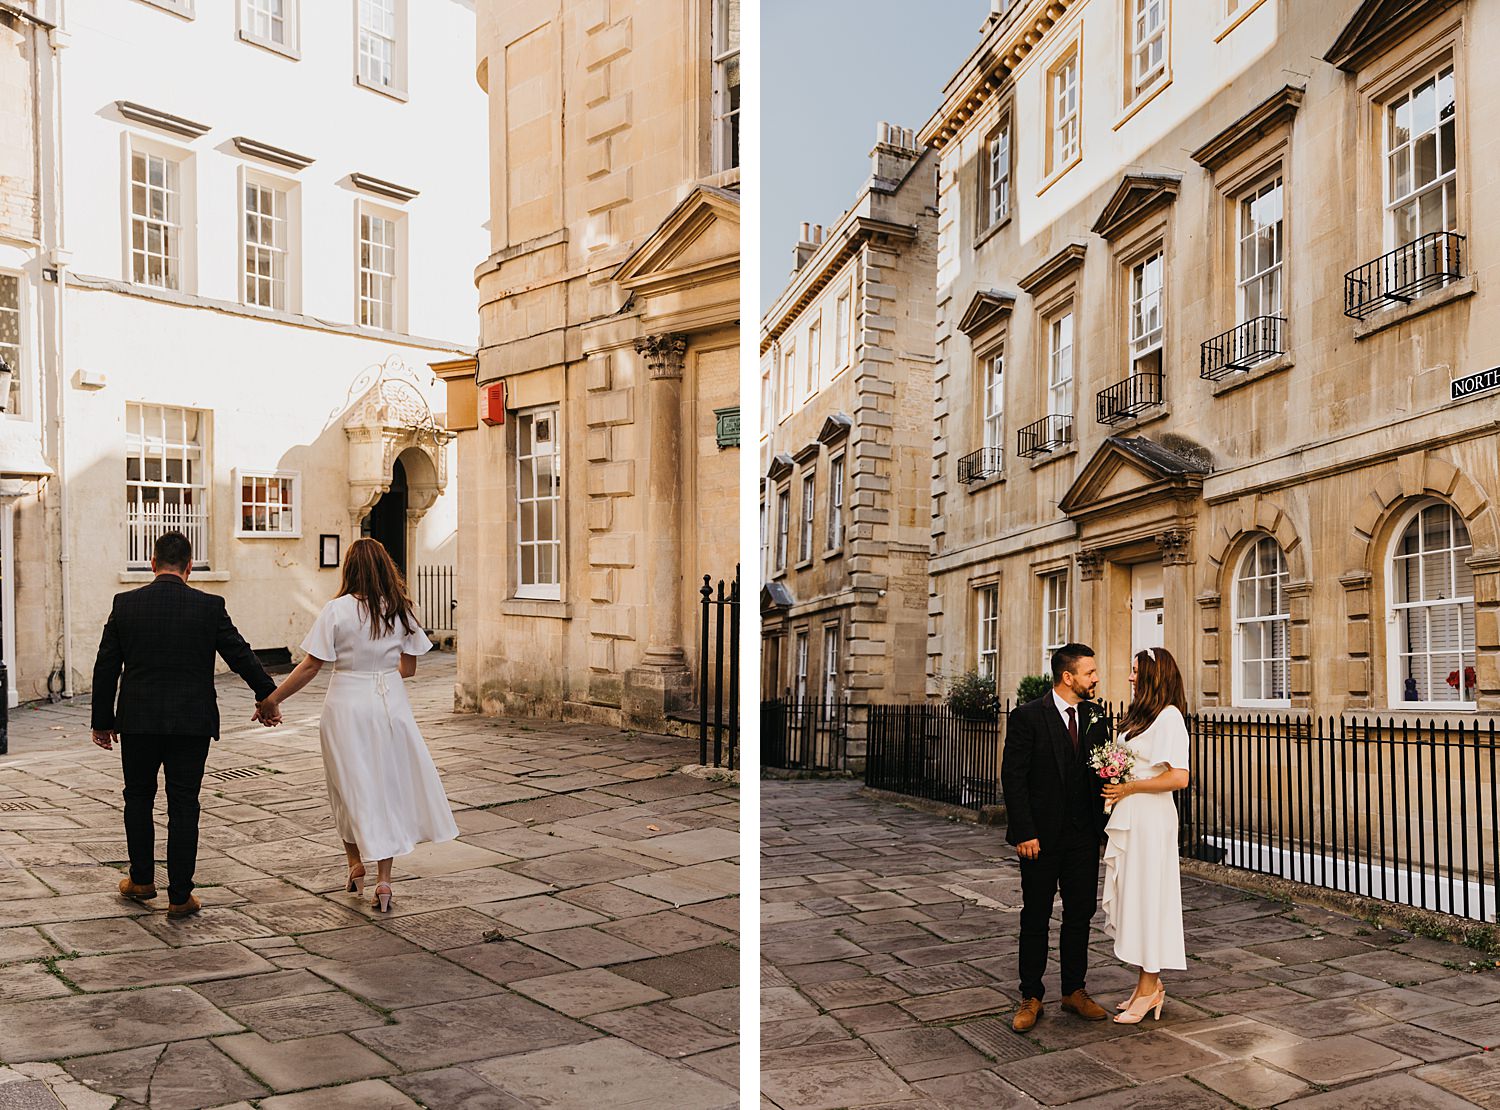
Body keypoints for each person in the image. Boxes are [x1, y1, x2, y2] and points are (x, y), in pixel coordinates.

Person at [256, 537, 457, 913]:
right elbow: (409, 669)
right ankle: (384, 881)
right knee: (386, 788)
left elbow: (311, 666)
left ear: (349, 569)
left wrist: (273, 698)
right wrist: (380, 668)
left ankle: (354, 864)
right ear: (385, 568)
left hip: (345, 705)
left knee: (346, 787)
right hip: (389, 705)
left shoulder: (336, 610)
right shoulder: (401, 611)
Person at [90, 531, 282, 918]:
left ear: (152, 562)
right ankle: (180, 895)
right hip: (191, 723)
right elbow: (240, 654)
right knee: (183, 804)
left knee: (138, 797)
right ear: (190, 567)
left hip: (139, 721)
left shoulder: (125, 604)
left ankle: (141, 880)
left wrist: (102, 721)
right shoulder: (209, 606)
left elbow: (106, 665)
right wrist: (268, 697)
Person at [999, 643, 1111, 1032]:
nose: (1096, 678)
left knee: (1080, 914)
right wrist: (1024, 831)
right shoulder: (1028, 716)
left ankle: (1073, 991)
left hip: (1083, 837)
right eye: (1090, 672)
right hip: (1040, 840)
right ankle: (1031, 995)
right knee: (1035, 916)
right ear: (1068, 677)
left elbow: (1103, 771)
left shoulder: (1097, 716)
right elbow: (1013, 778)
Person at [1100, 646, 1191, 1024]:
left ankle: (1152, 986)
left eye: (1136, 671)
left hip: (1152, 819)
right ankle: (1143, 987)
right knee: (1134, 899)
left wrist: (1130, 787)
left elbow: (1179, 777)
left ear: (1155, 675)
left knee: (1150, 899)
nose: (1131, 677)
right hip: (1131, 815)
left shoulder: (1170, 717)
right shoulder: (1140, 715)